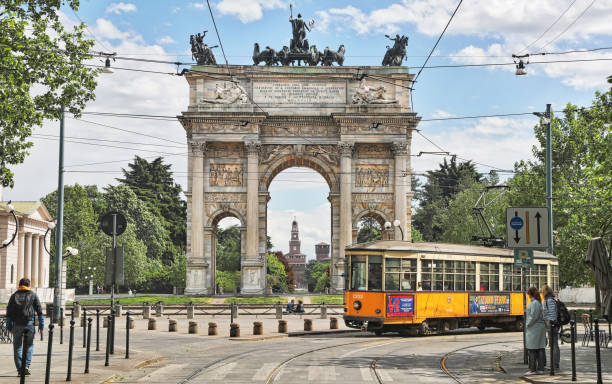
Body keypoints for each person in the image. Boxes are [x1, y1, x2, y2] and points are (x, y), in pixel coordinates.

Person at [6, 278, 44, 376]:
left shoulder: (14, 296)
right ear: (29, 285)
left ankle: (20, 369)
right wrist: (41, 325)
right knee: (29, 346)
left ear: (19, 285)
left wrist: (9, 326)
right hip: (29, 324)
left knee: (17, 347)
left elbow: (9, 313)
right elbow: (39, 311)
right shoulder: (33, 295)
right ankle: (26, 366)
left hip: (17, 324)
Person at [525, 286, 546, 375]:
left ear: (530, 294)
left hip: (534, 328)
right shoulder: (538, 302)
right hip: (540, 328)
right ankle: (540, 368)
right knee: (540, 348)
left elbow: (533, 316)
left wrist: (527, 324)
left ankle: (532, 369)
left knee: (532, 349)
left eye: (528, 294)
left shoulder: (534, 303)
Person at [542, 284, 560, 370]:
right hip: (550, 326)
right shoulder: (548, 300)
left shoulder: (550, 300)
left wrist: (550, 325)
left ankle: (555, 364)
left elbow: (552, 314)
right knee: (553, 344)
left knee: (554, 345)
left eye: (542, 291)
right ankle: (554, 364)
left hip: (552, 326)